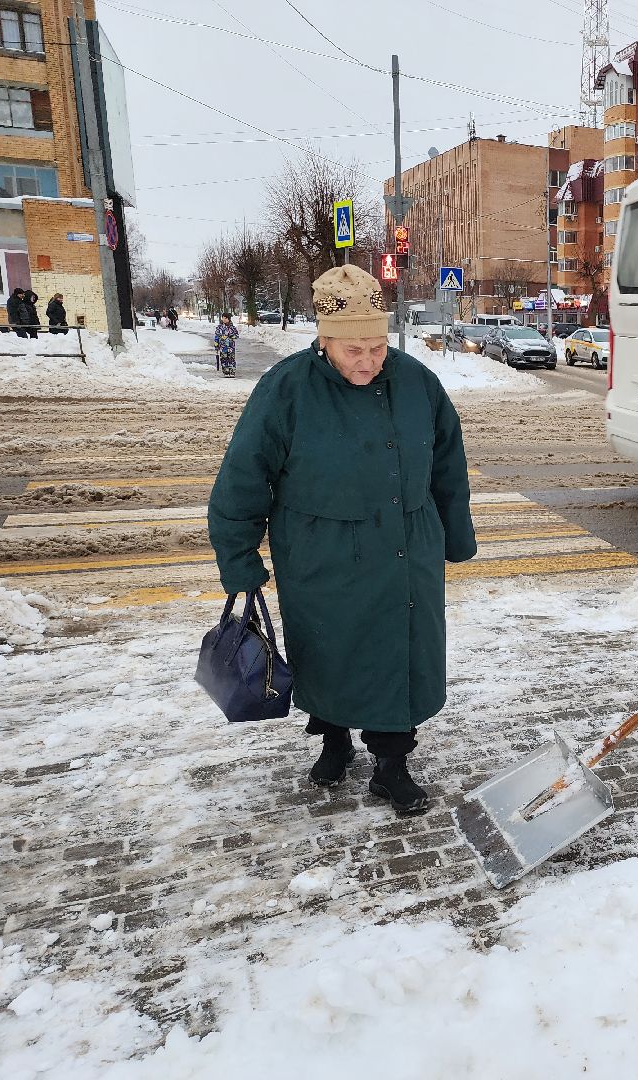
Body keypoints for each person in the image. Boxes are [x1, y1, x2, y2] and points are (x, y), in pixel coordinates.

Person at [208, 264, 477, 815]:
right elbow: (242, 478)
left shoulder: (417, 381)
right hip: (320, 555)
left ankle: (392, 764)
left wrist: (455, 533)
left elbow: (448, 461)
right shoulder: (285, 388)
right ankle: (333, 740)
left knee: (399, 654)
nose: (370, 361)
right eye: (354, 350)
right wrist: (238, 559)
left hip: (406, 550)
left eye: (377, 347)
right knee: (328, 651)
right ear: (324, 341)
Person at [213, 313, 238, 377]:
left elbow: (237, 336)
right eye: (223, 318)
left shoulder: (232, 328)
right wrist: (216, 345)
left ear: (228, 319)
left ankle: (232, 371)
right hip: (223, 347)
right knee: (224, 359)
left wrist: (230, 336)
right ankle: (226, 372)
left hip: (231, 347)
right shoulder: (219, 327)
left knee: (231, 359)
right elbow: (216, 337)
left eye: (225, 318)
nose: (224, 319)